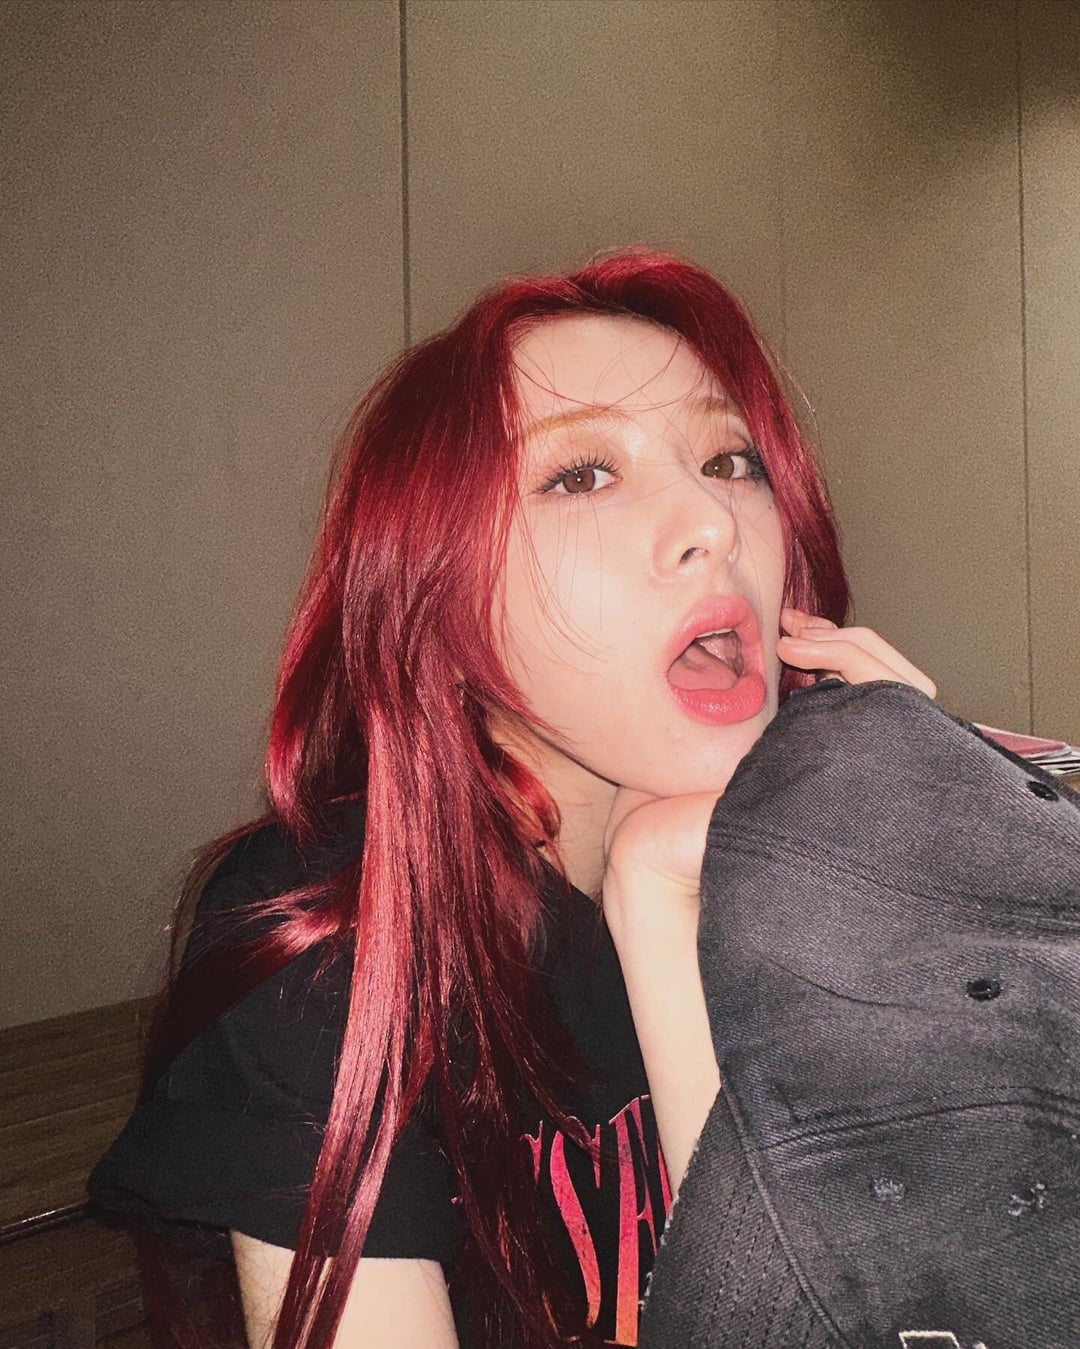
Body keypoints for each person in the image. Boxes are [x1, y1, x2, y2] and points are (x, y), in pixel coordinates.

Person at [89, 249, 935, 1349]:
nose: (715, 521)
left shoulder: (779, 875)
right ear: (436, 605)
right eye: (581, 475)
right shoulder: (338, 946)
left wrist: (932, 890)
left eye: (732, 460)